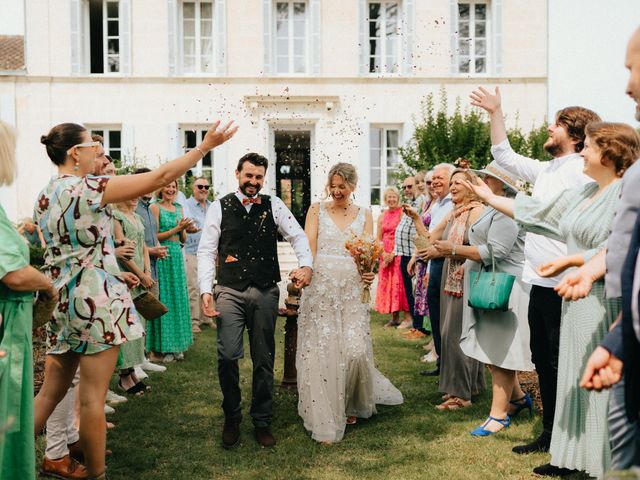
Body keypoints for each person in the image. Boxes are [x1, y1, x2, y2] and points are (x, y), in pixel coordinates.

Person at [32, 120, 237, 479]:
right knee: (93, 399)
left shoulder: (46, 194)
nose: (99, 151)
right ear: (75, 153)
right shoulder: (89, 187)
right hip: (94, 302)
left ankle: (9, 458)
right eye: (92, 146)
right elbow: (159, 178)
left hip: (61, 300)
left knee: (49, 394)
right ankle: (96, 475)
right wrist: (203, 148)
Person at [466, 121, 640, 477]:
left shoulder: (625, 194)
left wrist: (577, 261)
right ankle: (575, 458)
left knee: (600, 385)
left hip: (606, 299)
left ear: (609, 154)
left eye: (589, 147)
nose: (583, 153)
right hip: (576, 299)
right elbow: (536, 212)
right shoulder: (584, 192)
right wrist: (488, 197)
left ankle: (602, 460)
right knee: (573, 380)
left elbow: (620, 248)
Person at [471, 87, 600, 464]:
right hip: (539, 282)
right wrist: (496, 112)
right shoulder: (548, 169)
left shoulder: (581, 172)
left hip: (568, 283)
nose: (549, 126)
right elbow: (504, 156)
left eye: (557, 123)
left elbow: (548, 217)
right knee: (542, 359)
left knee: (565, 362)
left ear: (575, 135)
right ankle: (548, 433)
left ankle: (571, 440)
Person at [559, 27, 640, 474]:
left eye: (633, 68)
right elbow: (625, 252)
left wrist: (587, 268)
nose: (627, 84)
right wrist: (619, 339)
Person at [197, 152, 314, 449]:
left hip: (264, 290)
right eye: (249, 175)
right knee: (227, 354)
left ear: (264, 178)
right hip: (229, 290)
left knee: (264, 359)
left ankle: (262, 419)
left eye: (259, 177)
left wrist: (306, 264)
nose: (253, 182)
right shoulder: (218, 206)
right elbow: (207, 250)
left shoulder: (274, 205)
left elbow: (298, 236)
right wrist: (205, 290)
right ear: (238, 174)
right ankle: (232, 417)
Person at [296, 163, 403, 443]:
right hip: (322, 287)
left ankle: (352, 401)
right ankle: (326, 407)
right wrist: (305, 271)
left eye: (342, 186)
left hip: (353, 289)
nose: (336, 191)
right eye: (333, 185)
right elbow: (309, 246)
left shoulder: (365, 214)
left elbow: (368, 250)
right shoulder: (316, 209)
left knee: (354, 350)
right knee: (324, 348)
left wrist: (370, 270)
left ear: (353, 187)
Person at [0, 121, 57, 480]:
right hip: (6, 325)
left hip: (12, 321)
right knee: (5, 419)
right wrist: (46, 284)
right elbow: (12, 273)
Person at [459, 162, 533, 434]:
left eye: (487, 178)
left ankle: (498, 415)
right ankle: (517, 399)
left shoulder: (507, 210)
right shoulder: (492, 207)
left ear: (502, 184)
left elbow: (496, 252)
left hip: (505, 287)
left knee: (501, 350)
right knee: (491, 348)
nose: (482, 181)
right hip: (488, 283)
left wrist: (454, 250)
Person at [414, 168, 485, 410]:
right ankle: (465, 386)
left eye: (458, 183)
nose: (452, 187)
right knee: (449, 333)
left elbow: (481, 247)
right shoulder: (455, 213)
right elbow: (430, 237)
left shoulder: (476, 212)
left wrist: (456, 257)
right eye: (451, 183)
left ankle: (462, 395)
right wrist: (415, 218)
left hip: (465, 275)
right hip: (449, 274)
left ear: (471, 187)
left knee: (458, 334)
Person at [147, 181, 194, 363]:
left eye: (174, 187)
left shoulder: (179, 207)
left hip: (176, 253)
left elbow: (183, 238)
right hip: (163, 254)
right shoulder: (155, 207)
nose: (171, 190)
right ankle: (164, 348)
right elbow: (154, 235)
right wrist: (177, 229)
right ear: (161, 189)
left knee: (178, 299)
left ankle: (178, 345)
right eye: (168, 186)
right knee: (165, 298)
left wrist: (184, 230)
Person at [113, 195, 154, 394]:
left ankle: (133, 371)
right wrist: (139, 273)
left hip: (140, 274)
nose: (136, 199)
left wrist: (147, 271)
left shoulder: (137, 217)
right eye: (133, 196)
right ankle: (124, 375)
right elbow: (123, 252)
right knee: (126, 325)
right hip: (126, 274)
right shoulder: (116, 217)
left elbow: (144, 247)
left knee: (138, 325)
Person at [420, 163, 455, 376]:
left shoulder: (453, 204)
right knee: (436, 317)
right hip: (435, 264)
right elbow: (430, 238)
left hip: (449, 263)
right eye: (433, 179)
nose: (435, 182)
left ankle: (449, 368)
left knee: (446, 319)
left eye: (440, 178)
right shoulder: (437, 203)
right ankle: (442, 364)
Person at [375, 186, 410, 327]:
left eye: (394, 196)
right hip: (385, 254)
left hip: (399, 252)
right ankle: (394, 318)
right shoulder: (382, 216)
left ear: (398, 197)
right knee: (389, 285)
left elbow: (404, 235)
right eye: (389, 197)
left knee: (400, 284)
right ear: (385, 199)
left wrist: (393, 253)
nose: (391, 199)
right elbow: (378, 237)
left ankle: (408, 318)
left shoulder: (403, 213)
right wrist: (383, 253)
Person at [184, 176, 215, 333]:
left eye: (206, 187)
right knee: (193, 287)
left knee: (207, 284)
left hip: (209, 253)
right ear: (193, 189)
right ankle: (194, 321)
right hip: (191, 250)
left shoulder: (213, 206)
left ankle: (207, 317)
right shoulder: (187, 205)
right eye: (200, 186)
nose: (203, 189)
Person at [394, 176, 421, 335]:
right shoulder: (411, 202)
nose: (407, 190)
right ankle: (415, 325)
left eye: (409, 186)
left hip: (412, 253)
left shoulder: (422, 202)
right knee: (410, 291)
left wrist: (415, 255)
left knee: (415, 291)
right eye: (404, 187)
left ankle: (418, 326)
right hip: (404, 253)